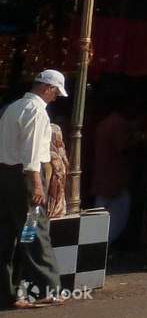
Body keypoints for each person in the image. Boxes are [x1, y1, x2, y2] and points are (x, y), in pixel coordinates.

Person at [0, 70, 68, 309]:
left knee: (6, 234)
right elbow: (30, 153)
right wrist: (37, 184)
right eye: (56, 92)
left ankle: (8, 292)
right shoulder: (37, 111)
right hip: (27, 178)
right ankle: (47, 288)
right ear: (48, 88)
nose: (56, 97)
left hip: (6, 176)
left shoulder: (12, 108)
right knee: (35, 231)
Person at [92, 89, 134, 244]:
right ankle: (102, 246)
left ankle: (98, 245)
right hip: (114, 177)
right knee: (116, 216)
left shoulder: (104, 123)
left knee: (101, 212)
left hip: (102, 174)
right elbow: (122, 146)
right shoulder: (119, 123)